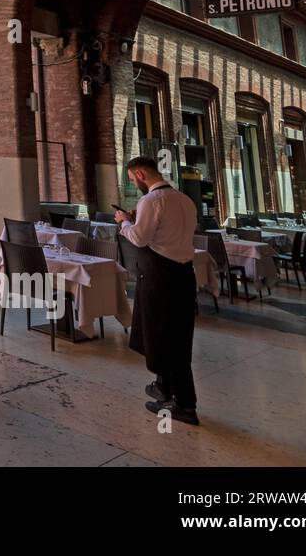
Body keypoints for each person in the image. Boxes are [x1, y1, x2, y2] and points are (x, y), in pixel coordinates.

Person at [115, 156, 201, 426]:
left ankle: (184, 404)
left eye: (132, 179)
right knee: (174, 334)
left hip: (160, 277)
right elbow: (170, 232)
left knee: (164, 337)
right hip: (184, 275)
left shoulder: (151, 201)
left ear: (140, 174)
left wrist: (124, 222)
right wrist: (136, 221)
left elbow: (140, 238)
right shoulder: (184, 200)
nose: (134, 184)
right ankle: (164, 386)